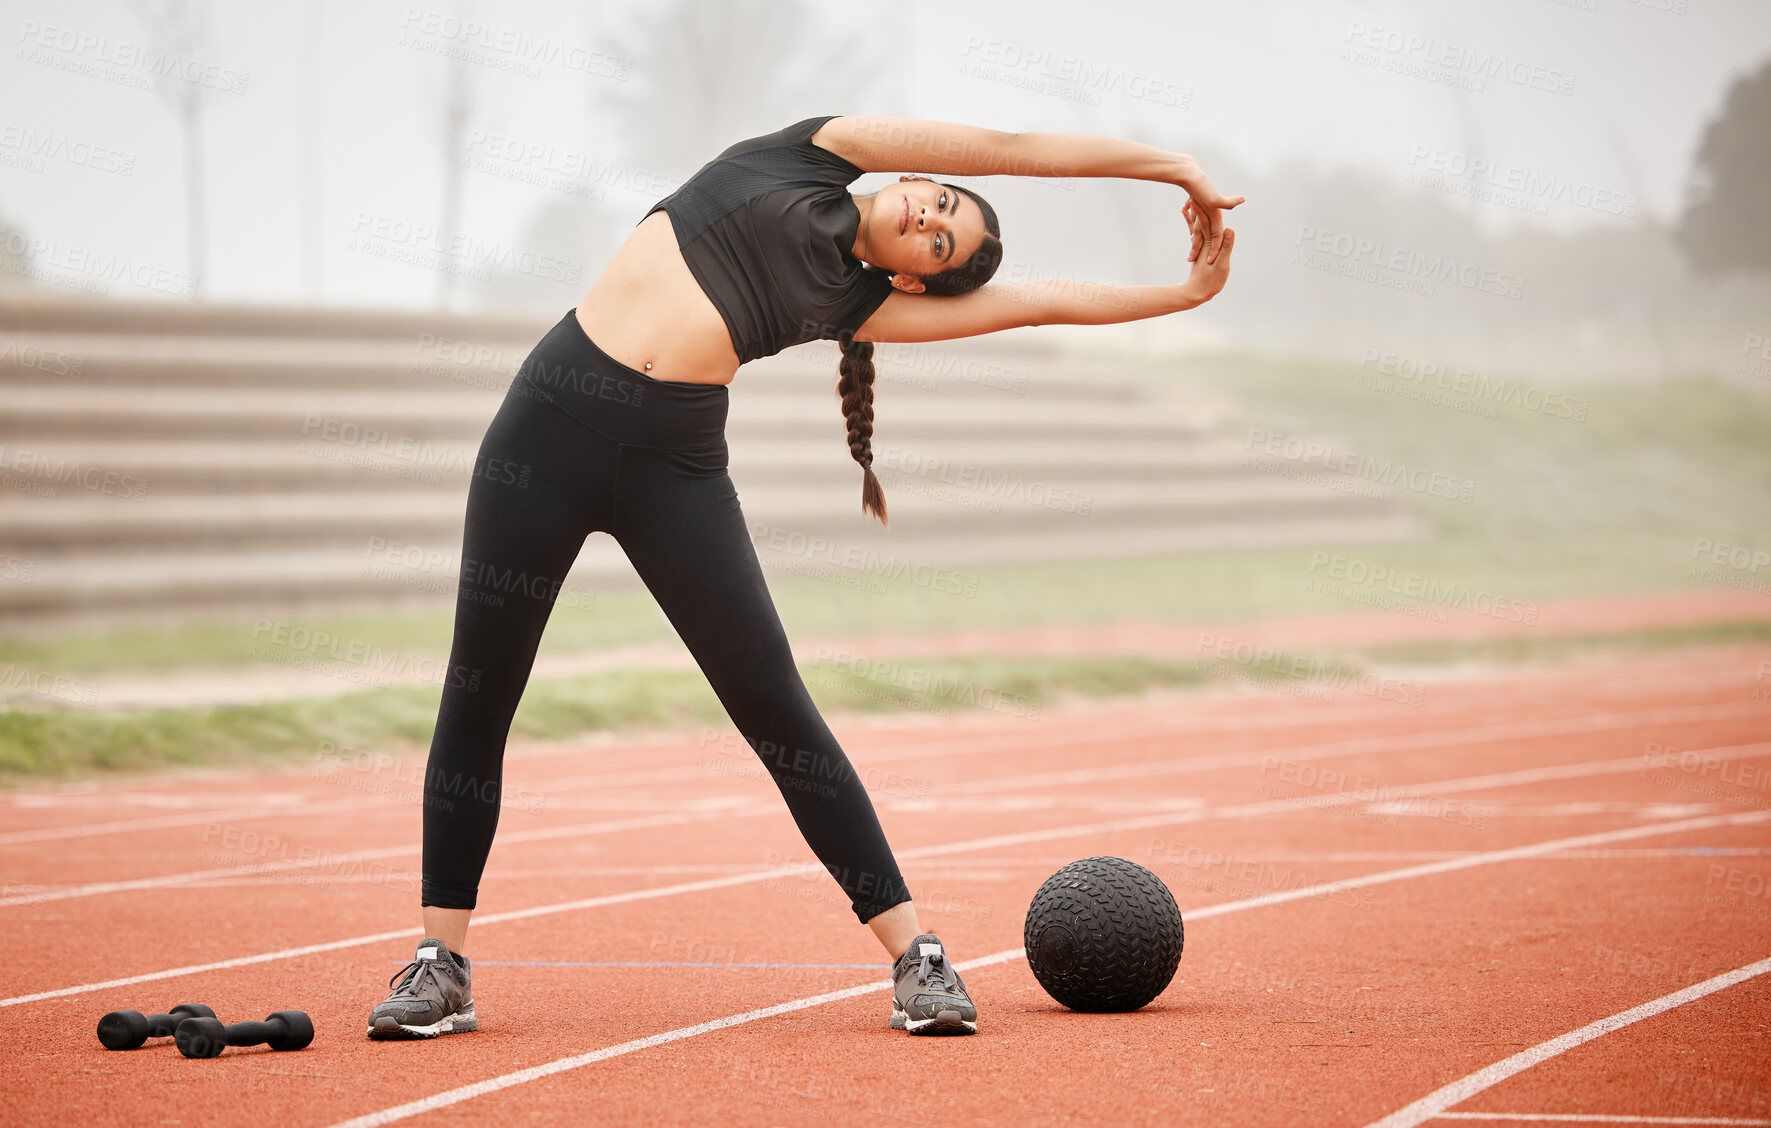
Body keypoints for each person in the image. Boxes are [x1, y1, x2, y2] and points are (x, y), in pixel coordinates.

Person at [365, 114, 1241, 1040]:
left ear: (914, 278)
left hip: (674, 469)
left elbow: (1038, 301)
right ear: (915, 179)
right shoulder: (809, 150)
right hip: (541, 436)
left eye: (941, 242)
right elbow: (1019, 149)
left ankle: (916, 958)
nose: (925, 217)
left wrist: (1183, 296)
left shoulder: (860, 301)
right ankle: (440, 965)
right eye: (936, 200)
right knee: (479, 692)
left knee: (775, 708)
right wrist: (1173, 166)